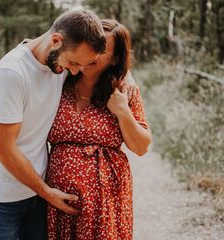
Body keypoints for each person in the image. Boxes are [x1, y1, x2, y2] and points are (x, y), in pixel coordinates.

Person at [0, 9, 106, 240]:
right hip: (2, 197)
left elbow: (111, 52)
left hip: (37, 196)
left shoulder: (60, 63)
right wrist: (47, 192)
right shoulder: (11, 73)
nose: (76, 71)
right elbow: (4, 150)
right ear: (56, 40)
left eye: (81, 65)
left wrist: (126, 84)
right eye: (74, 63)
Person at [45, 19, 152, 239]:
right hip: (57, 199)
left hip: (105, 202)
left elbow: (141, 147)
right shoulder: (58, 80)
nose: (92, 53)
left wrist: (123, 111)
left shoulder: (123, 91)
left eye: (101, 49)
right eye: (91, 44)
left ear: (115, 58)